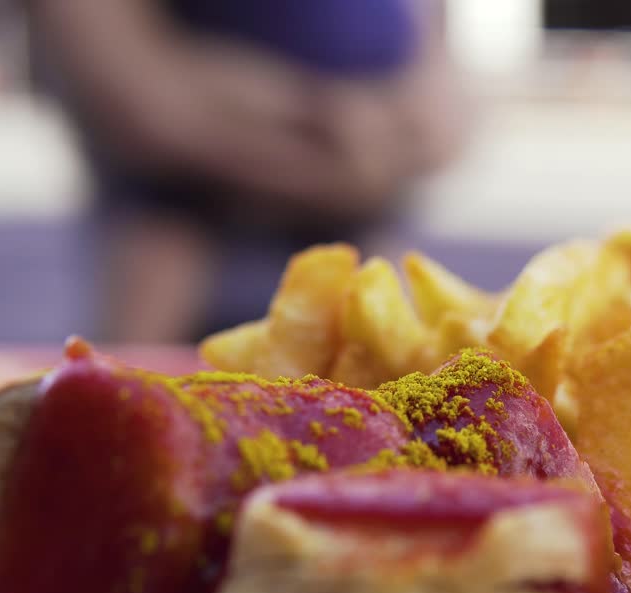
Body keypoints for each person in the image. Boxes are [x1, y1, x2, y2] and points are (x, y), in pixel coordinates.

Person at [31, 0, 464, 343]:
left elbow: (442, 109)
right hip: (181, 201)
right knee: (140, 352)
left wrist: (368, 133)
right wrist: (327, 133)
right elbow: (139, 98)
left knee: (384, 343)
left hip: (362, 182)